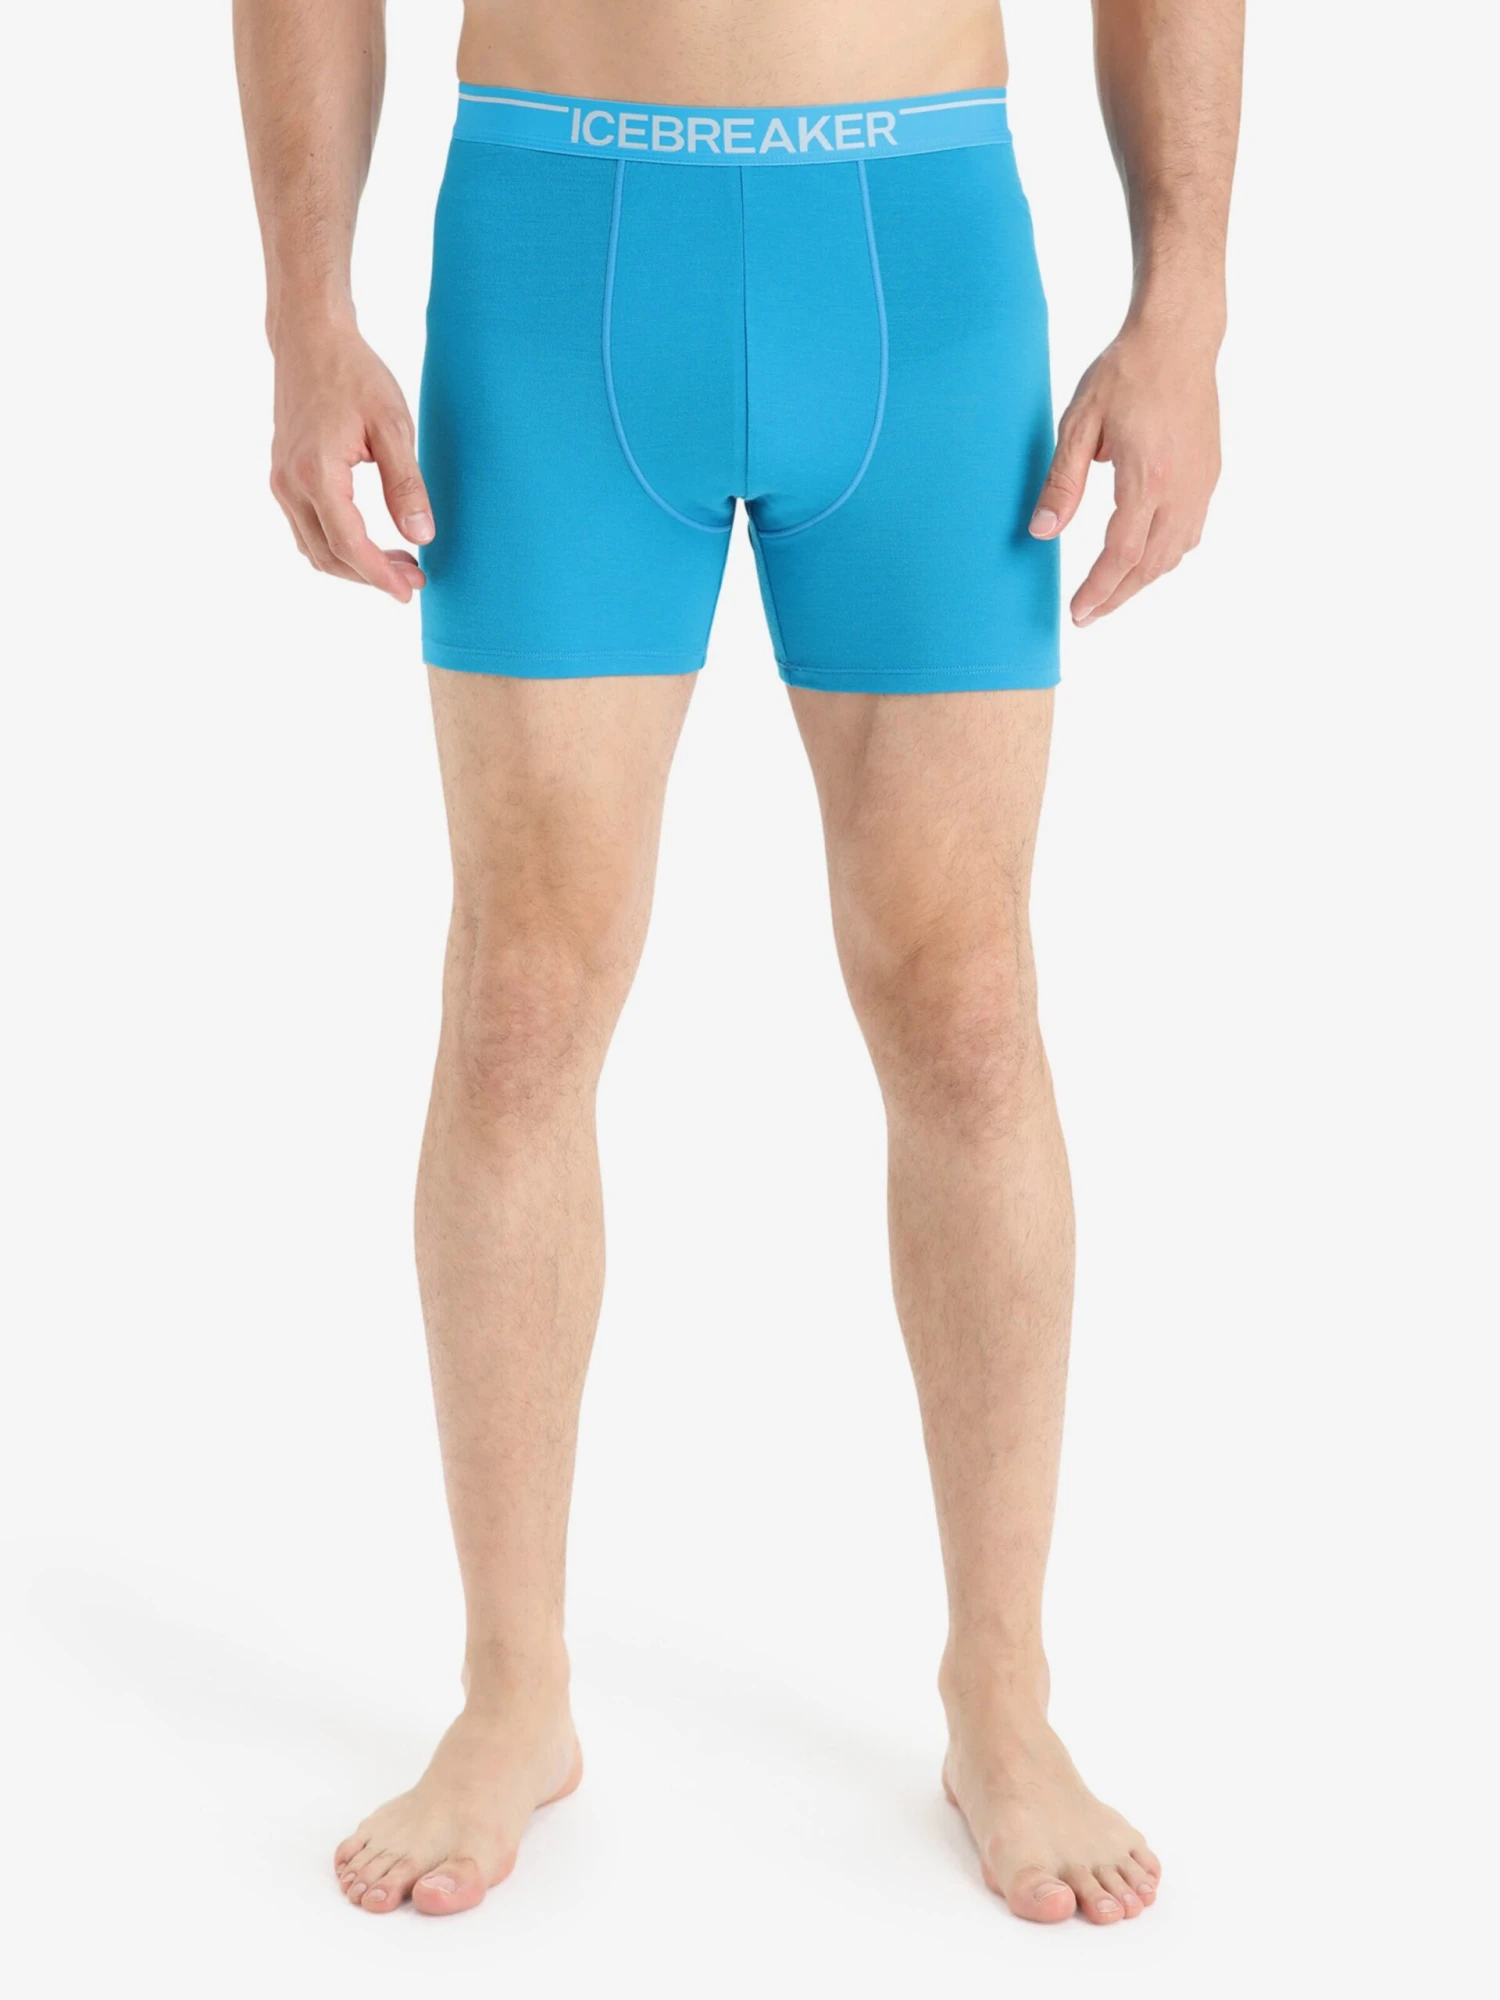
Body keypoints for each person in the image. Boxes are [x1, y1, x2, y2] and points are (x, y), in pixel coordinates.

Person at [234, 0, 1241, 1925]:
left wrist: (1183, 304)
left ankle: (1001, 1692)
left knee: (966, 1008)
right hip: (557, 250)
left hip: (917, 256)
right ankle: (513, 1690)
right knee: (520, 1003)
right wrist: (302, 308)